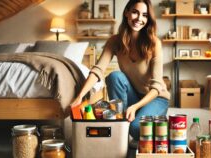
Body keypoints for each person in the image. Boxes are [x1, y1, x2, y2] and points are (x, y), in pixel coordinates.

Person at [71, 0, 170, 141]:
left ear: (148, 19)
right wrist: (80, 96)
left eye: (144, 15)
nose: (139, 19)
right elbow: (98, 70)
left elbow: (156, 87)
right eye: (135, 12)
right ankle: (122, 119)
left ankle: (155, 122)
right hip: (134, 95)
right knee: (114, 76)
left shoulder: (154, 43)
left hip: (156, 98)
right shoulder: (115, 41)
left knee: (136, 128)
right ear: (127, 12)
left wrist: (135, 107)